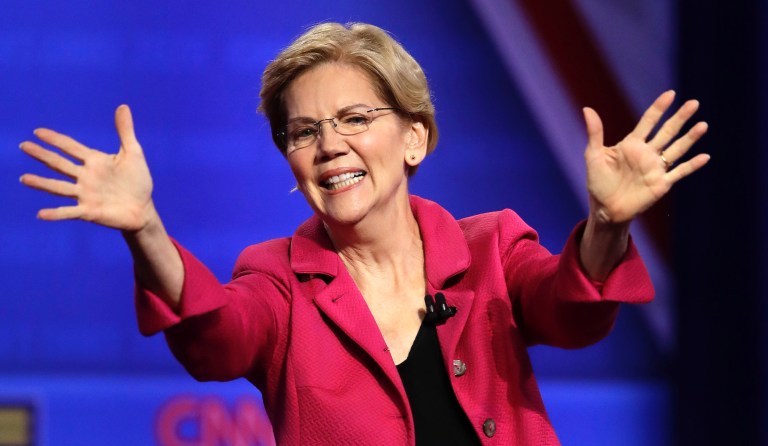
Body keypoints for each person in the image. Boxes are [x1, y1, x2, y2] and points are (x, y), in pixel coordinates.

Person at [19, 22, 709, 446]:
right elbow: (216, 338)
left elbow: (571, 310)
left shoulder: (489, 249)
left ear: (415, 137)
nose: (329, 146)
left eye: (355, 119)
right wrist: (146, 229)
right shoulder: (280, 277)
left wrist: (609, 223)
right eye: (303, 132)